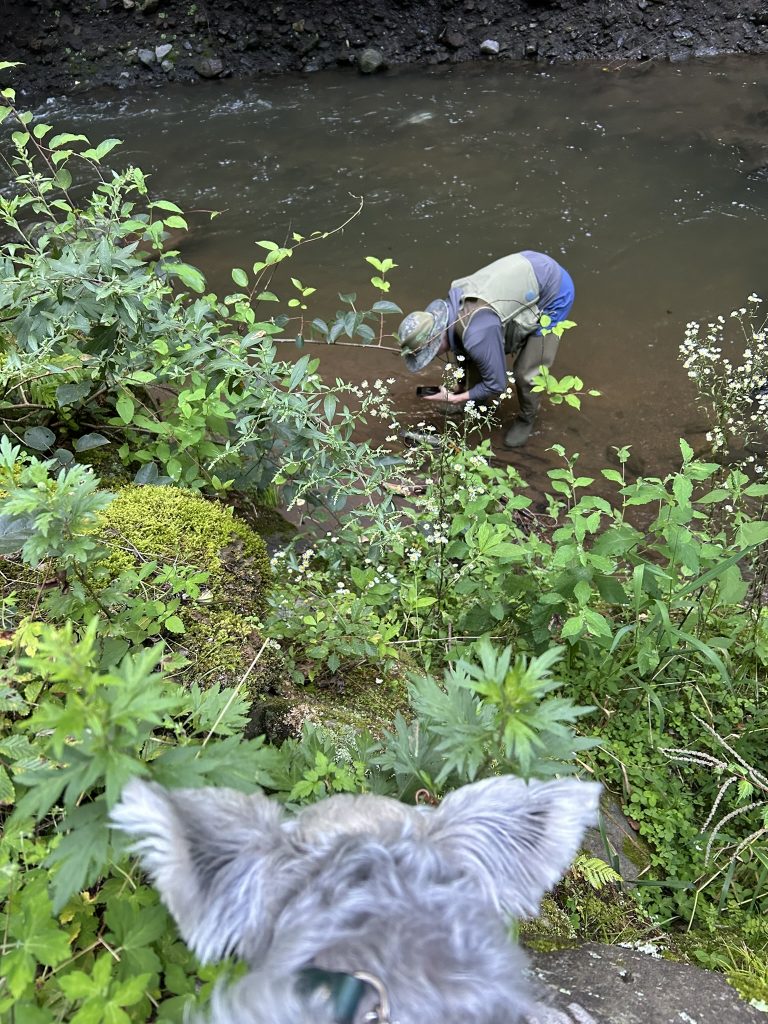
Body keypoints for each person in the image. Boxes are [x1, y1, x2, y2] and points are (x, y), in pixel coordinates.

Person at [397, 250, 575, 448]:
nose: (431, 358)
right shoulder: (442, 317)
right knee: (472, 353)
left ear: (437, 340)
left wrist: (457, 399)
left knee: (526, 373)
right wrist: (460, 387)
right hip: (527, 271)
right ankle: (476, 405)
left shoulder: (477, 332)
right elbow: (462, 351)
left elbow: (497, 383)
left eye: (429, 354)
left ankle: (527, 419)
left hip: (554, 290)